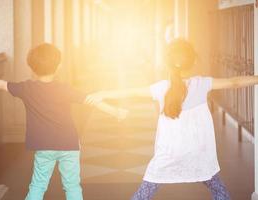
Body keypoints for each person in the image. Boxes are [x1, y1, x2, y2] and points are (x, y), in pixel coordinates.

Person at [85, 39, 258, 200]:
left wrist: (104, 94)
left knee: (144, 192)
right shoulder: (202, 83)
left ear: (168, 64)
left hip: (169, 154)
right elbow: (234, 82)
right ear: (193, 62)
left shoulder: (161, 88)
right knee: (218, 189)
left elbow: (133, 91)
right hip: (199, 152)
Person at [0, 43, 127, 200]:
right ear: (58, 66)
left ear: (31, 68)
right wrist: (115, 111)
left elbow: (1, 84)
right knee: (72, 186)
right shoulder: (64, 89)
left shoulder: (27, 89)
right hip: (69, 145)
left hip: (44, 146)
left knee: (38, 186)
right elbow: (91, 100)